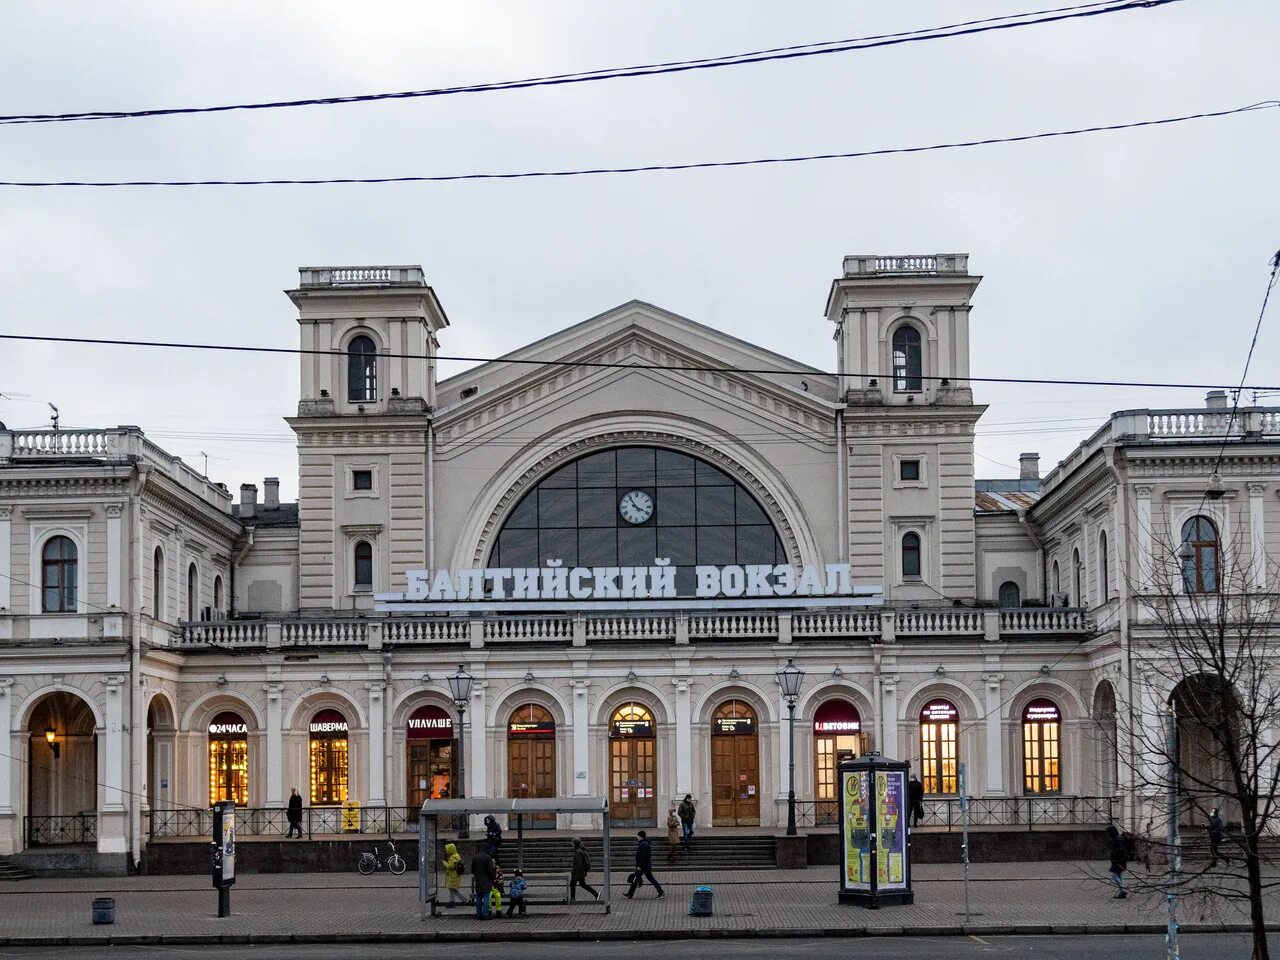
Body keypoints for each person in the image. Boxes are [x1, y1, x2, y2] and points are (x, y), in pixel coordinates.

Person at [623, 830, 664, 900]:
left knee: (651, 879)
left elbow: (643, 857)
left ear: (640, 836)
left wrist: (639, 866)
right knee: (636, 879)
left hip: (644, 866)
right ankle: (630, 893)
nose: (637, 837)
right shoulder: (643, 843)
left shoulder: (644, 844)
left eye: (638, 836)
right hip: (644, 865)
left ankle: (661, 892)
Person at [570, 837, 600, 902]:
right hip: (581, 872)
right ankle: (595, 893)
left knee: (572, 884)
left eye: (572, 843)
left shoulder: (578, 852)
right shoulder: (581, 850)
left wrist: (575, 873)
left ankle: (572, 899)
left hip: (578, 872)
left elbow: (578, 863)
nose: (572, 845)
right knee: (583, 884)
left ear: (575, 843)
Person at [471, 847, 497, 919]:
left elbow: (472, 870)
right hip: (486, 881)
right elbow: (490, 870)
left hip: (478, 881)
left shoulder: (475, 857)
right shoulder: (488, 858)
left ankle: (478, 915)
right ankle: (485, 914)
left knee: (478, 898)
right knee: (486, 898)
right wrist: (492, 877)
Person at [1107, 824, 1128, 899]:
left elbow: (1121, 850)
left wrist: (1113, 854)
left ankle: (1123, 889)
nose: (1108, 834)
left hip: (1118, 860)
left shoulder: (1117, 839)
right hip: (1120, 860)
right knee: (1119, 875)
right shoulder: (1118, 838)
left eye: (1108, 832)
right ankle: (1122, 891)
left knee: (1113, 875)